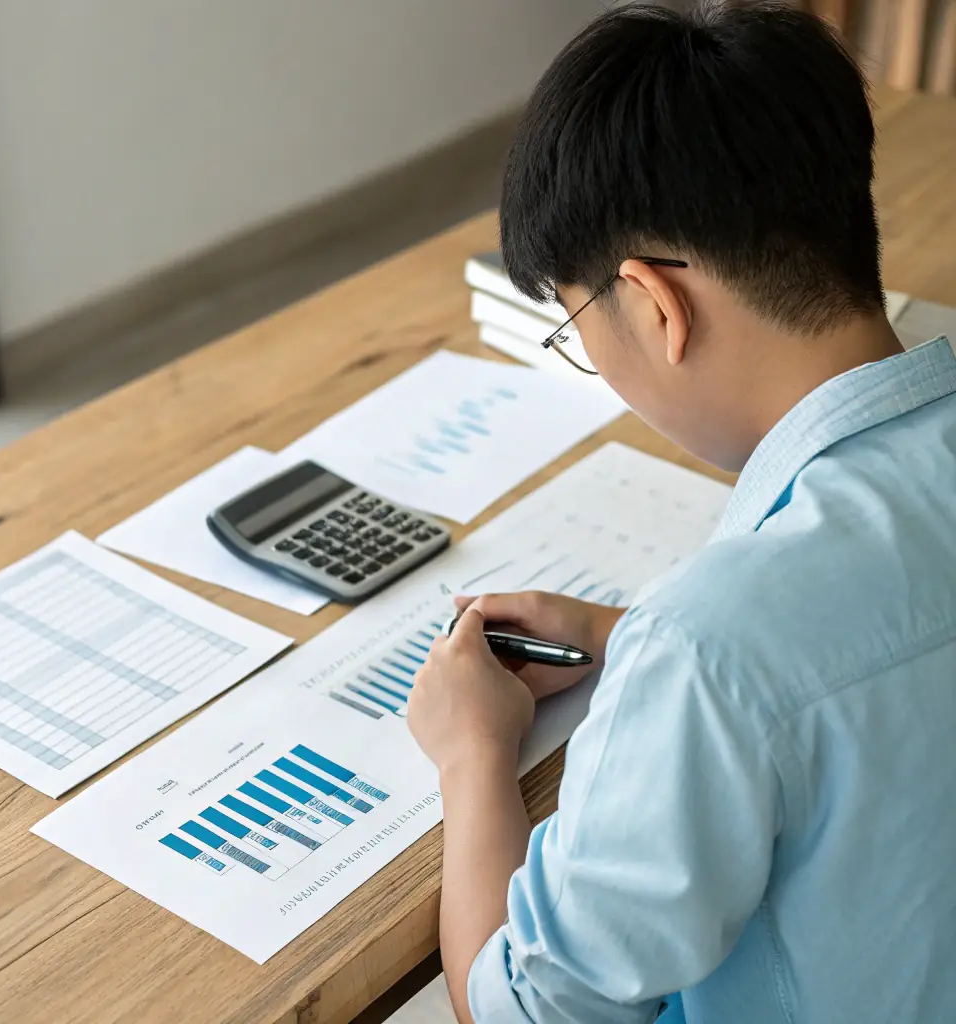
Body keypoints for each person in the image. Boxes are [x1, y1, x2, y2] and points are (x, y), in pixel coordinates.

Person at [406, 2, 956, 1022]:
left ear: (655, 305)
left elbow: (526, 1009)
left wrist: (472, 754)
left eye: (577, 323)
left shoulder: (712, 643)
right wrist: (629, 642)